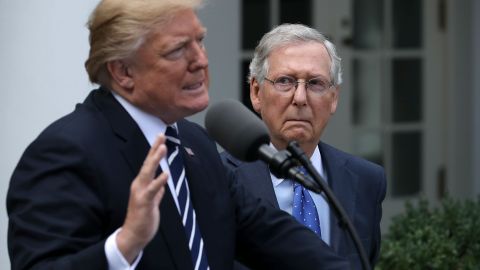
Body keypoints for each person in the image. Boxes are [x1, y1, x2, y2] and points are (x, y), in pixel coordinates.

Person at [6, 1, 351, 270]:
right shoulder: (65, 151)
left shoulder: (193, 143)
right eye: (177, 50)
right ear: (123, 71)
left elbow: (270, 234)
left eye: (199, 41)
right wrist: (125, 244)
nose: (200, 60)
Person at [221, 24, 387, 269]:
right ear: (256, 93)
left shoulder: (366, 180)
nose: (300, 98)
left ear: (334, 98)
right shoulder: (219, 178)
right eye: (285, 81)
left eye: (315, 83)